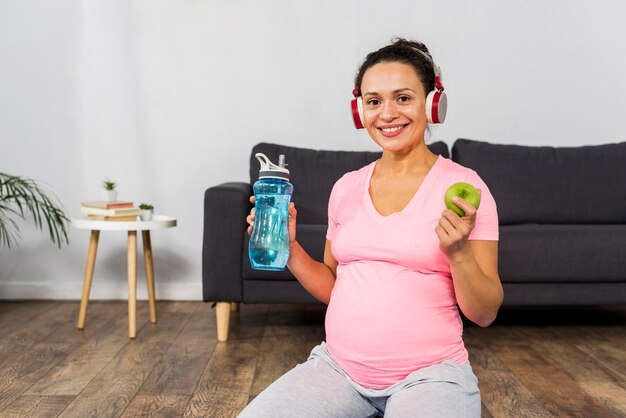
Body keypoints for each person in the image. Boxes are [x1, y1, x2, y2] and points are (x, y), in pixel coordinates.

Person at [239, 38, 503, 418]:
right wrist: (291, 249)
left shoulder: (465, 188)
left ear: (432, 103)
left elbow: (486, 312)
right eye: (374, 101)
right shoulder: (346, 187)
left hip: (429, 377)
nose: (387, 114)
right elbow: (335, 287)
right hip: (337, 370)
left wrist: (458, 252)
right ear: (360, 110)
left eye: (403, 98)